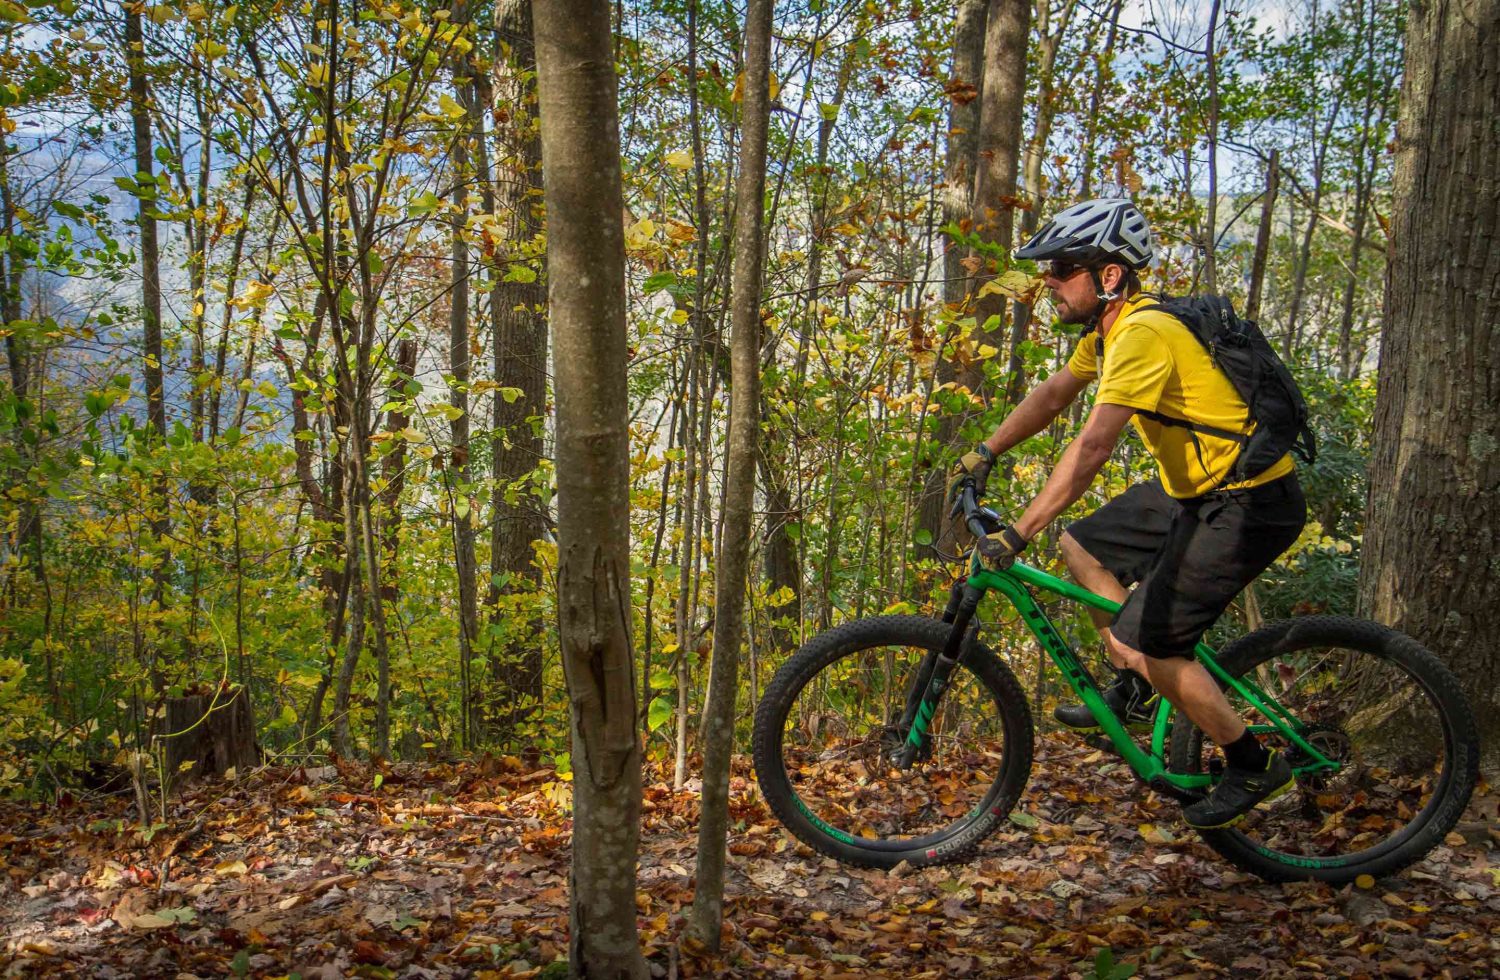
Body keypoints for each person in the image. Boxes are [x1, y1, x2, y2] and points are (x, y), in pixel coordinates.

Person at [946, 198, 1307, 829]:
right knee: (1082, 547)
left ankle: (1251, 762)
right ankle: (1138, 685)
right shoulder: (1110, 334)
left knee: (1158, 642)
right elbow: (1056, 393)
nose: (1048, 281)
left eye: (1062, 267)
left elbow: (1092, 447)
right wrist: (985, 451)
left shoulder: (1143, 333)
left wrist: (1019, 531)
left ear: (1109, 276)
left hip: (1248, 502)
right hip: (1194, 488)